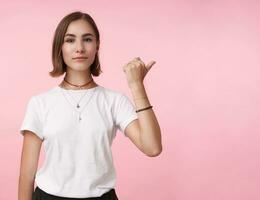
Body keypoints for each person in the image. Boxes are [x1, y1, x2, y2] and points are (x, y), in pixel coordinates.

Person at [18, 11, 162, 200]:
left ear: (97, 46)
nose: (79, 48)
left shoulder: (114, 101)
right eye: (70, 40)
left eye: (87, 39)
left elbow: (152, 147)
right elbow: (27, 176)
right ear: (59, 47)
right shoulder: (40, 103)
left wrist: (137, 86)